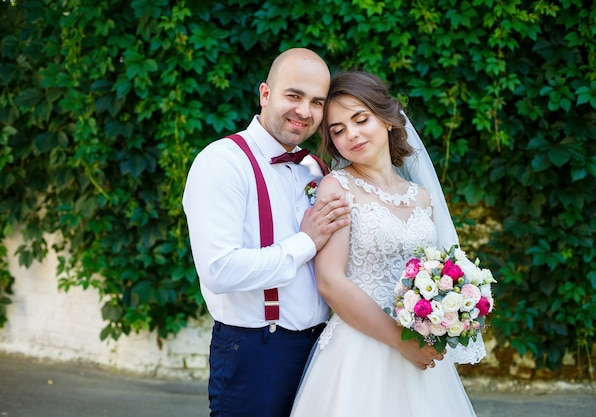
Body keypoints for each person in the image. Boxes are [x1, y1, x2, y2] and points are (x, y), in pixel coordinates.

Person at [289, 71, 482, 417]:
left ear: (388, 119)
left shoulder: (421, 197)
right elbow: (330, 281)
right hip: (361, 350)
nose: (352, 135)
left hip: (419, 349)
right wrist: (401, 340)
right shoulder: (337, 188)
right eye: (338, 130)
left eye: (361, 119)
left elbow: (441, 270)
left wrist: (448, 309)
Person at [182, 48, 351, 417]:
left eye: (317, 102)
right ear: (265, 94)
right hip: (256, 353)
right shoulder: (222, 162)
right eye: (294, 95)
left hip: (324, 351)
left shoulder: (316, 169)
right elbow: (219, 270)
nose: (305, 111)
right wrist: (305, 242)